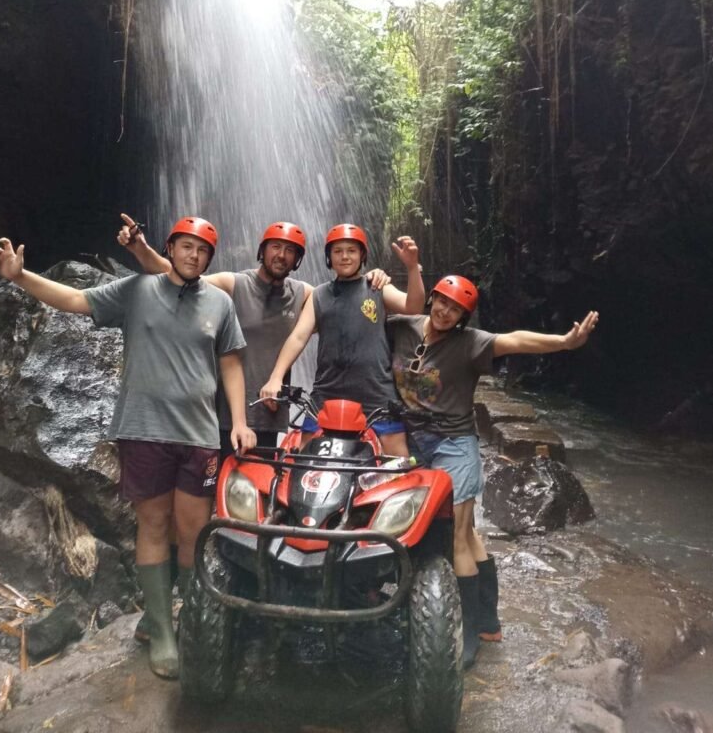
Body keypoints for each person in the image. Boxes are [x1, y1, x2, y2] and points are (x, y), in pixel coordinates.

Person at [0, 217, 256, 680]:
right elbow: (75, 300)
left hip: (200, 435)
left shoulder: (220, 303)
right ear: (170, 248)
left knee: (193, 530)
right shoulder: (138, 289)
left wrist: (241, 422)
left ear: (210, 258)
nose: (193, 255)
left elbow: (230, 363)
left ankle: (186, 616)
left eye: (202, 250)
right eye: (186, 246)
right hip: (144, 430)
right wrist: (19, 276)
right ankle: (162, 631)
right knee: (153, 524)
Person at [387, 273, 599, 667]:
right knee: (468, 534)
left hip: (454, 445)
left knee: (458, 536)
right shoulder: (402, 327)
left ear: (464, 318)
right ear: (432, 298)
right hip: (413, 443)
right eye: (442, 302)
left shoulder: (470, 343)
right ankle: (489, 622)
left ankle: (468, 633)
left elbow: (515, 340)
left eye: (455, 309)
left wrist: (564, 342)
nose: (445, 312)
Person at [117, 214, 391, 459]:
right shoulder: (234, 284)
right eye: (275, 247)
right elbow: (178, 276)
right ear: (262, 251)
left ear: (297, 260)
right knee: (214, 487)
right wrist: (141, 249)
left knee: (255, 489)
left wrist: (373, 278)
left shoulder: (306, 294)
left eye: (290, 251)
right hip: (219, 411)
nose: (281, 255)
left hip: (268, 413)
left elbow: (346, 302)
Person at [261, 224, 425, 456]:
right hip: (327, 393)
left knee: (397, 459)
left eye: (351, 250)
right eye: (337, 251)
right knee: (305, 457)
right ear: (329, 257)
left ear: (362, 255)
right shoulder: (319, 295)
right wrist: (276, 377)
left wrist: (412, 267)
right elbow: (298, 337)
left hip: (376, 392)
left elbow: (413, 306)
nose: (345, 256)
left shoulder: (376, 287)